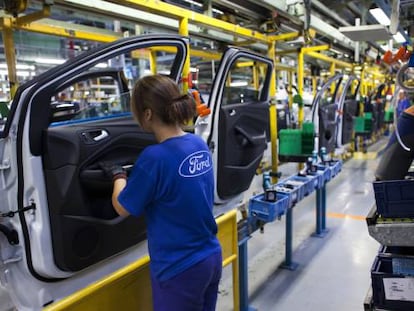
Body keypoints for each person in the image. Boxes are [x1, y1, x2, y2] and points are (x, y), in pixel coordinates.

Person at [104, 74, 222, 311]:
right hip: (210, 257)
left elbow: (122, 206)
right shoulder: (198, 144)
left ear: (147, 114)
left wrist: (117, 176)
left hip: (179, 269)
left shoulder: (154, 158)